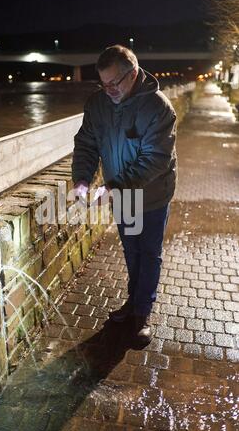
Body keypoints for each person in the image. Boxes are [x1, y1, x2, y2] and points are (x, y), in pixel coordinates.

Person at [72, 45, 177, 343]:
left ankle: (142, 313)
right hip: (122, 197)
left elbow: (155, 159)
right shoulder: (98, 104)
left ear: (132, 74)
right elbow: (87, 144)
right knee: (131, 251)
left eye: (113, 84)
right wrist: (81, 179)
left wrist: (113, 187)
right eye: (102, 84)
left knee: (149, 253)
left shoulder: (158, 108)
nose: (108, 91)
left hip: (152, 196)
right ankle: (134, 302)